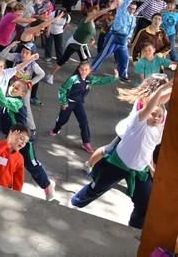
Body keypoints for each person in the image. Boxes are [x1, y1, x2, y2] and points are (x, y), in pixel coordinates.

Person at [71, 80, 171, 229]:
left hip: (138, 171)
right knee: (97, 187)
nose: (156, 118)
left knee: (145, 201)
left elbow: (149, 148)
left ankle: (135, 227)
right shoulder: (140, 120)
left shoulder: (159, 129)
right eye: (154, 114)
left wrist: (151, 165)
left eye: (159, 116)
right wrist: (167, 86)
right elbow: (153, 102)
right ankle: (75, 203)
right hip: (117, 163)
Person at [0, 82, 55, 199]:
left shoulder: (16, 102)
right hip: (11, 139)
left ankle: (47, 187)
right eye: (12, 86)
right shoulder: (10, 100)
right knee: (6, 160)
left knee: (32, 164)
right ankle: (6, 184)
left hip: (23, 141)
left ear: (23, 93)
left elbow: (2, 100)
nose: (13, 89)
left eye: (17, 88)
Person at [49, 62, 119, 153]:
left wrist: (113, 78)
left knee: (84, 122)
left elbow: (101, 80)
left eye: (86, 69)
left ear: (90, 70)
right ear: (78, 69)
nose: (84, 71)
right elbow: (62, 90)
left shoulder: (89, 80)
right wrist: (64, 102)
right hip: (69, 103)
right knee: (63, 119)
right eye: (82, 69)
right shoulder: (73, 79)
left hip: (79, 104)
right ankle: (56, 129)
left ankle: (86, 142)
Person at [45, 3, 116, 85]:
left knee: (85, 62)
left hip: (82, 45)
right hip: (74, 44)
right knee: (63, 59)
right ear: (88, 13)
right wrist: (109, 8)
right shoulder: (86, 19)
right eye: (92, 13)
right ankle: (50, 75)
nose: (94, 15)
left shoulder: (93, 22)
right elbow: (98, 14)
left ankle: (77, 79)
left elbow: (89, 33)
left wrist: (92, 40)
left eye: (95, 13)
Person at [91, 0, 138, 80]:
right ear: (127, 7)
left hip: (124, 40)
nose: (132, 10)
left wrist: (129, 38)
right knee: (103, 54)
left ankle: (123, 74)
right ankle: (91, 70)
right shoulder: (122, 11)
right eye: (131, 8)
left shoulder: (133, 18)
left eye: (134, 9)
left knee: (125, 58)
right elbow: (128, 0)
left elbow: (131, 29)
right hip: (114, 36)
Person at [0, 42, 45, 133]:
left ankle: (32, 128)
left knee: (25, 107)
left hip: (24, 89)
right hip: (13, 86)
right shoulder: (17, 56)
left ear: (32, 55)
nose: (23, 54)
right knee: (6, 103)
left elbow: (42, 74)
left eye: (27, 53)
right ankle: (5, 122)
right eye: (23, 51)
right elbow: (3, 55)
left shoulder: (33, 64)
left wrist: (31, 82)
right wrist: (10, 46)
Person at [0, 124, 29, 192]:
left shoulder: (20, 158)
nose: (23, 143)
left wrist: (18, 193)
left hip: (4, 188)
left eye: (25, 142)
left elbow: (18, 178)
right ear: (11, 135)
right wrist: (6, 142)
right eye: (21, 139)